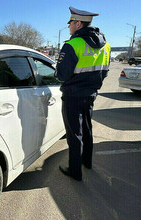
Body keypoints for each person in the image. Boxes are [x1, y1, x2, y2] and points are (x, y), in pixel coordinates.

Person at [55, 7, 111, 181]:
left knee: (74, 134)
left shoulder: (72, 44)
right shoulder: (106, 46)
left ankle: (75, 172)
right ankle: (87, 162)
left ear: (78, 23)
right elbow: (105, 71)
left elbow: (61, 75)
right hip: (91, 94)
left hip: (72, 96)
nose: (69, 26)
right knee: (87, 129)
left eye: (70, 23)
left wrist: (59, 74)